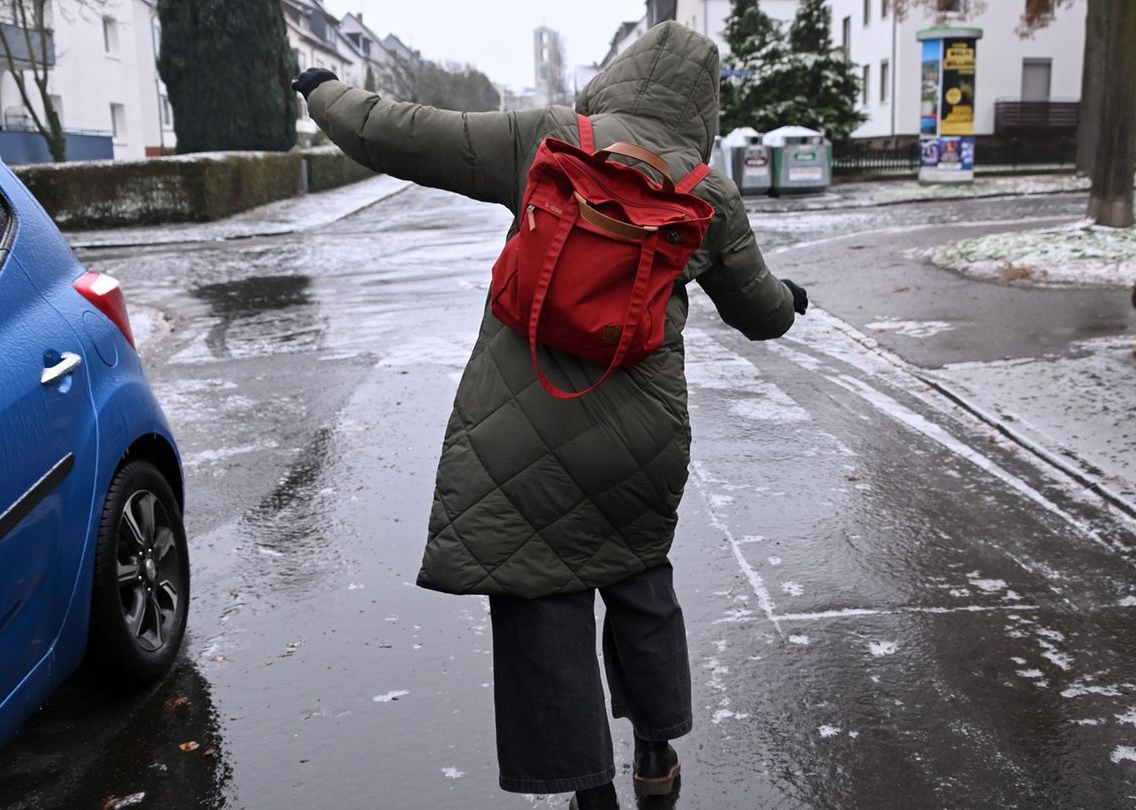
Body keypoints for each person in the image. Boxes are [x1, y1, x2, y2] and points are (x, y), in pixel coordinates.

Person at [294, 21, 806, 810]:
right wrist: (791, 302)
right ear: (702, 104)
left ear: (618, 75)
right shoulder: (708, 192)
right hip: (640, 445)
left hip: (518, 429)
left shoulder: (545, 139)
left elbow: (401, 135)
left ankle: (589, 795)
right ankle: (656, 752)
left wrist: (325, 92)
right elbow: (762, 314)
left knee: (544, 610)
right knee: (640, 584)